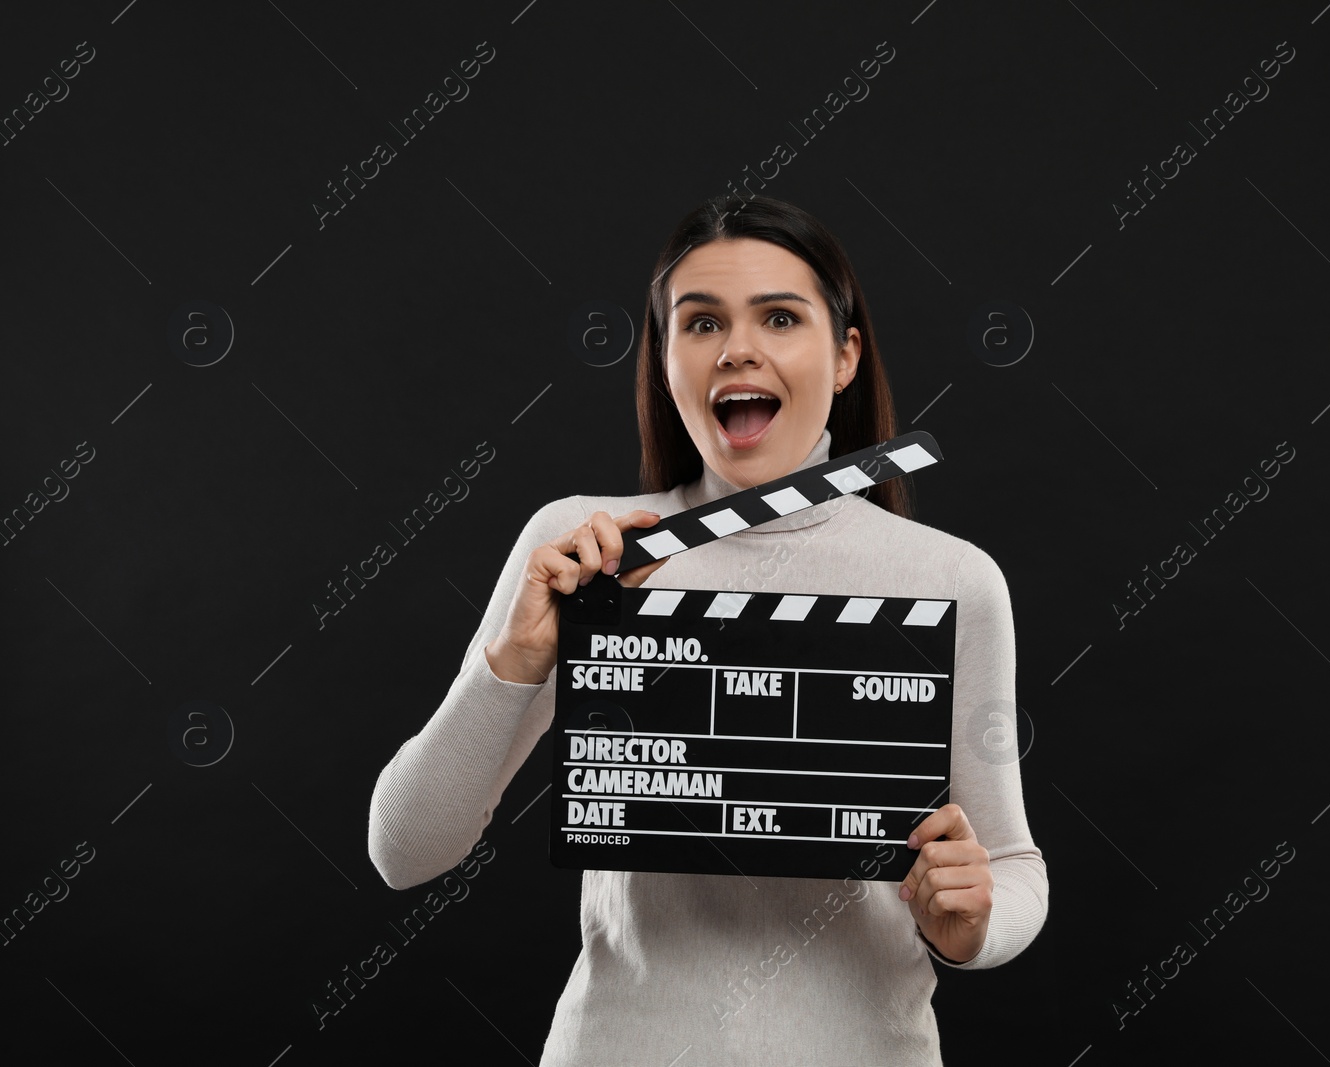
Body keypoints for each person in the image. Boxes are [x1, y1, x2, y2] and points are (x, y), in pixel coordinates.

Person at [367, 194, 1048, 1065]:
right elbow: (404, 848)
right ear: (665, 362)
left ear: (844, 356)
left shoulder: (953, 580)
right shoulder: (585, 548)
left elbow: (1015, 865)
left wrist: (974, 920)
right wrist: (517, 659)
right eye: (700, 323)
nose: (738, 348)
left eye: (780, 316)